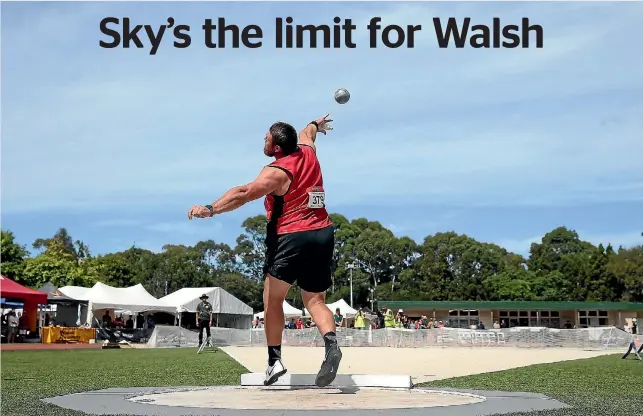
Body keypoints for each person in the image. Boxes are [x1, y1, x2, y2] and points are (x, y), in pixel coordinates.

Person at [188, 114, 341, 387]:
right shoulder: (308, 150)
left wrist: (210, 209)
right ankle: (331, 344)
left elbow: (244, 192)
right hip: (323, 233)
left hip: (291, 236)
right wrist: (317, 124)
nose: (263, 139)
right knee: (315, 301)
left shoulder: (277, 172)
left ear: (277, 147)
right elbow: (309, 132)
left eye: (267, 137)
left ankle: (274, 361)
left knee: (272, 300)